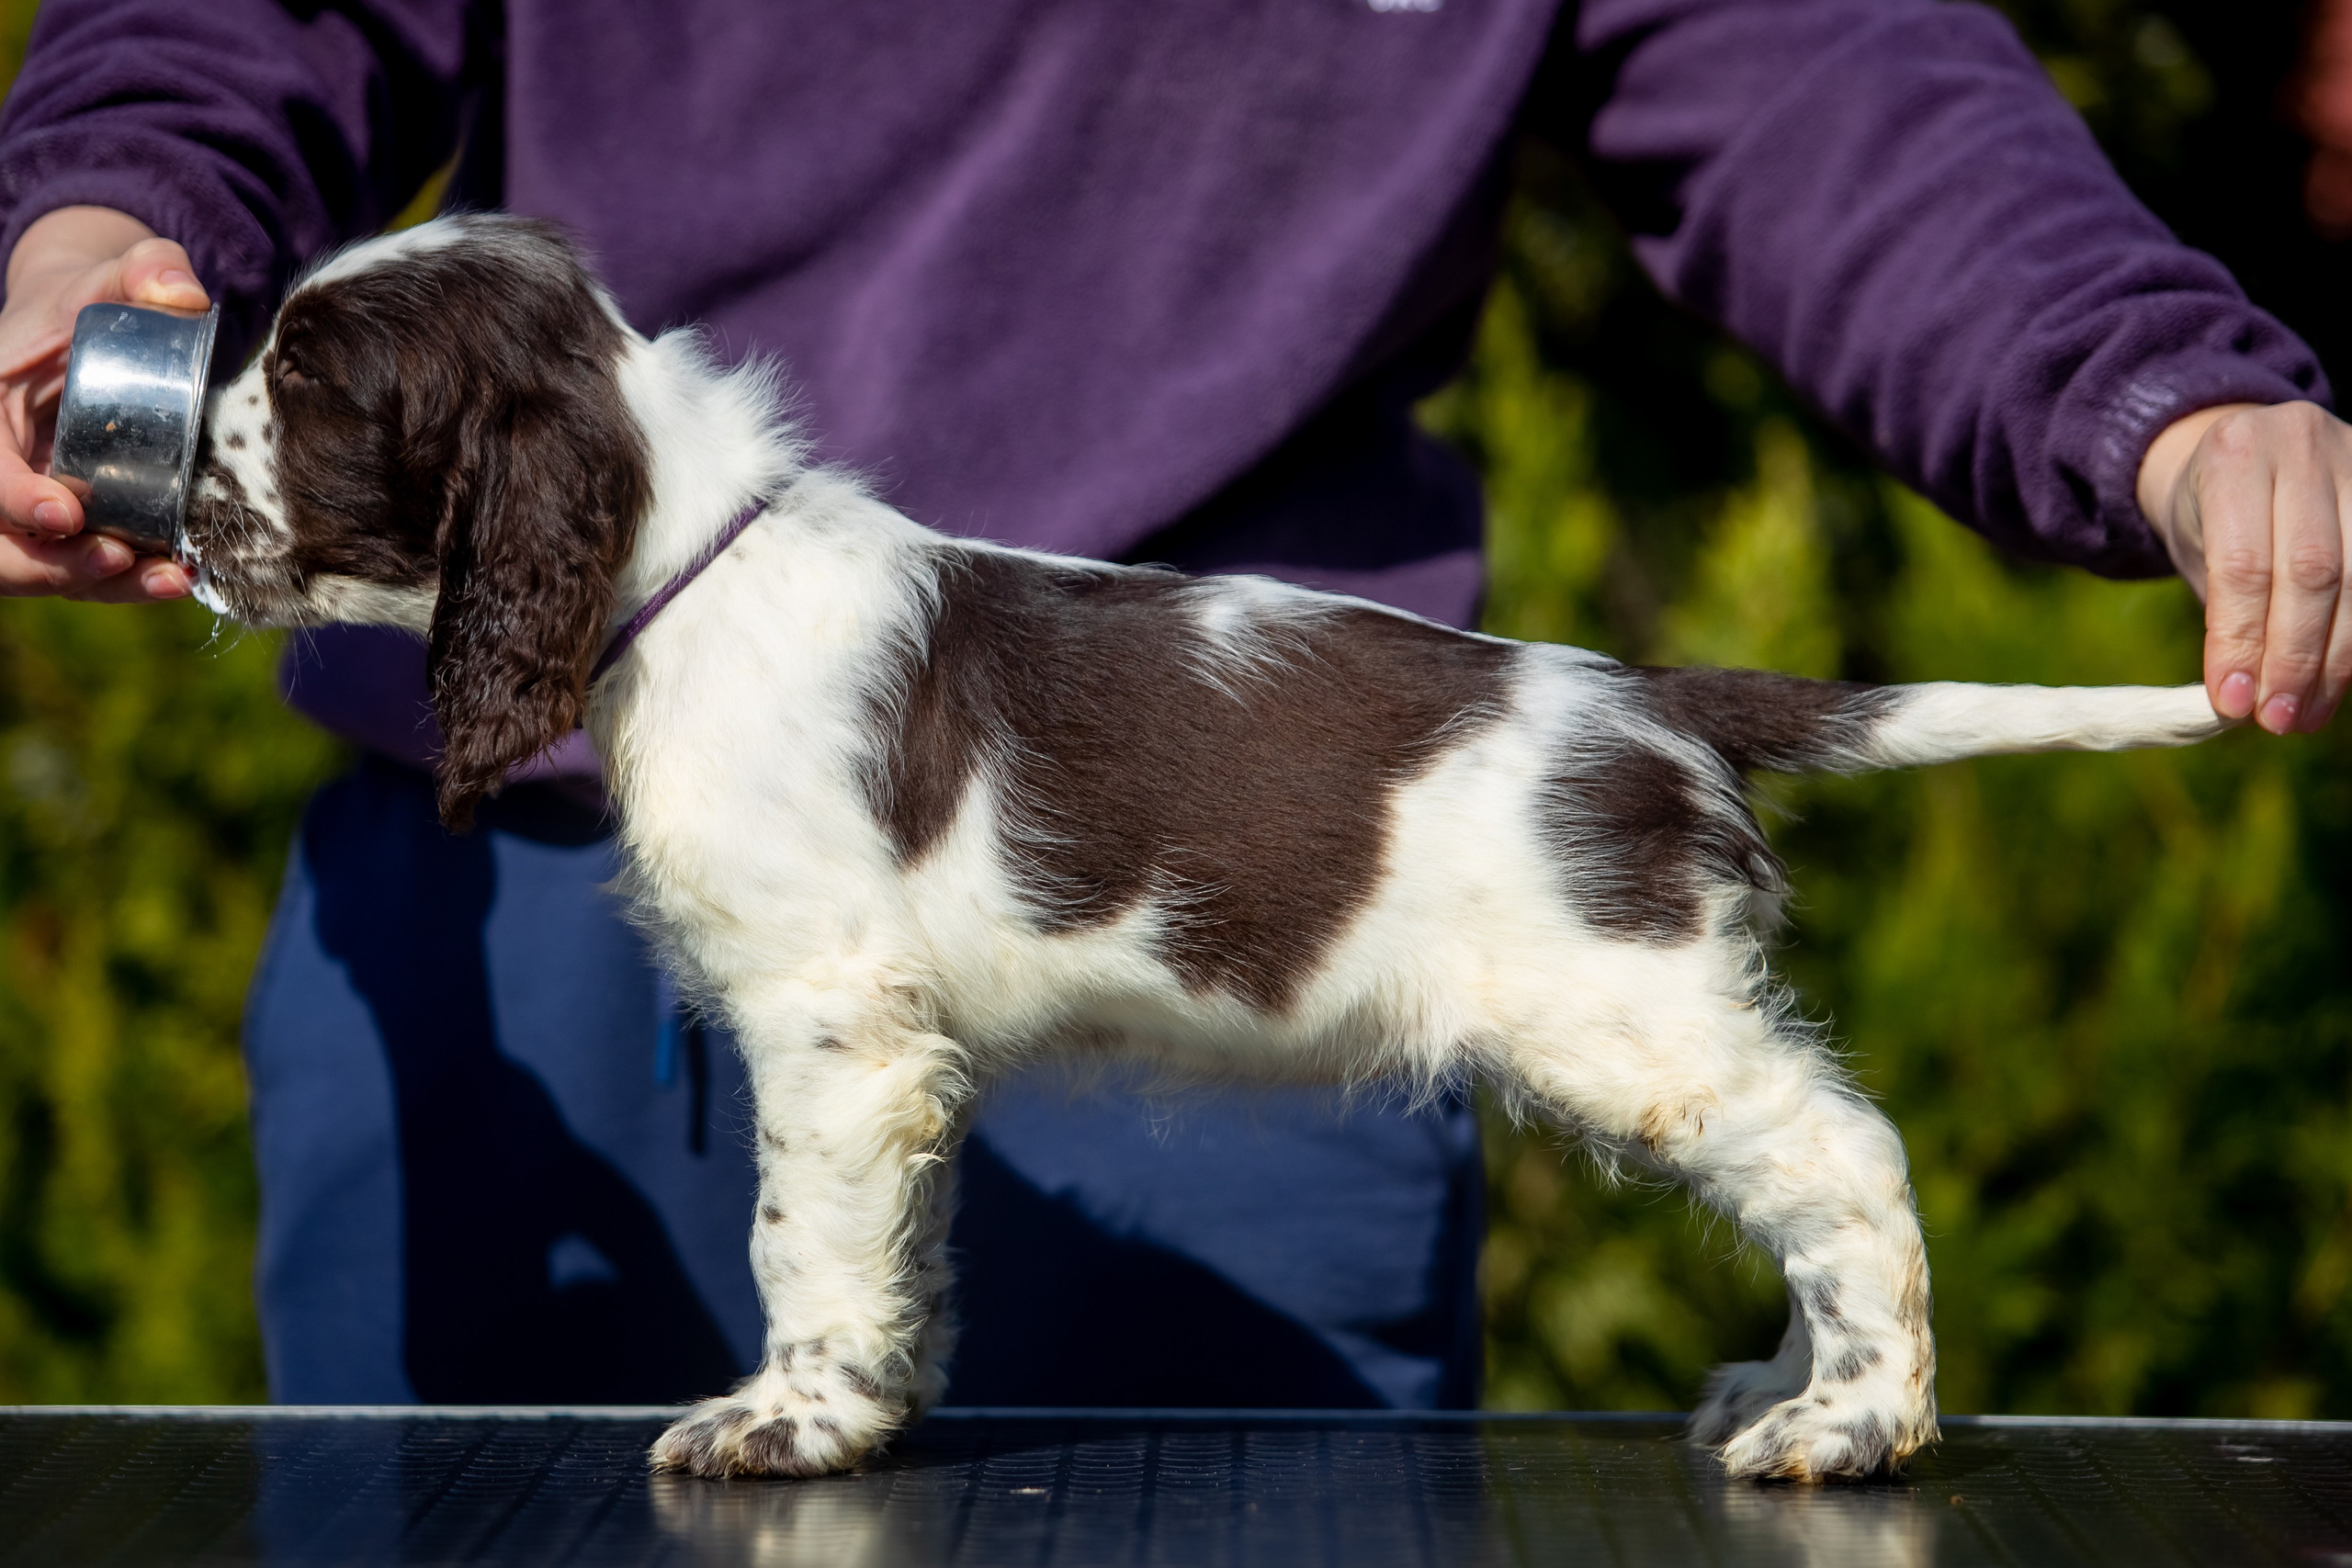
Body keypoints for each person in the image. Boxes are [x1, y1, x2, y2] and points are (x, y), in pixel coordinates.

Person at [0, 0, 2341, 1406]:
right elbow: (234, 21)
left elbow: (1837, 83)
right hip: (506, 856)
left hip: (1270, 863)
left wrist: (2144, 391)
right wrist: (104, 218)